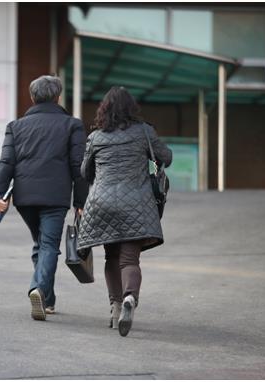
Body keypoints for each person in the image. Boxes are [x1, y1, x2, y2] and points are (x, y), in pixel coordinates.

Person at [77, 86, 172, 337]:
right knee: (130, 260)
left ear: (104, 109)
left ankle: (115, 306)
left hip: (103, 205)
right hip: (136, 204)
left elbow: (85, 172)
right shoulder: (144, 131)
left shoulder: (96, 137)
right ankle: (130, 298)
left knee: (111, 258)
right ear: (132, 108)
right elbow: (166, 157)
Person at [0, 75, 88, 321]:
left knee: (41, 244)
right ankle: (38, 288)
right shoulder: (72, 125)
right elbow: (79, 166)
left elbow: (6, 162)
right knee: (48, 246)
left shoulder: (16, 126)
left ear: (32, 97)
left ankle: (48, 299)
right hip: (55, 197)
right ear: (58, 97)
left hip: (25, 198)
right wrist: (80, 202)